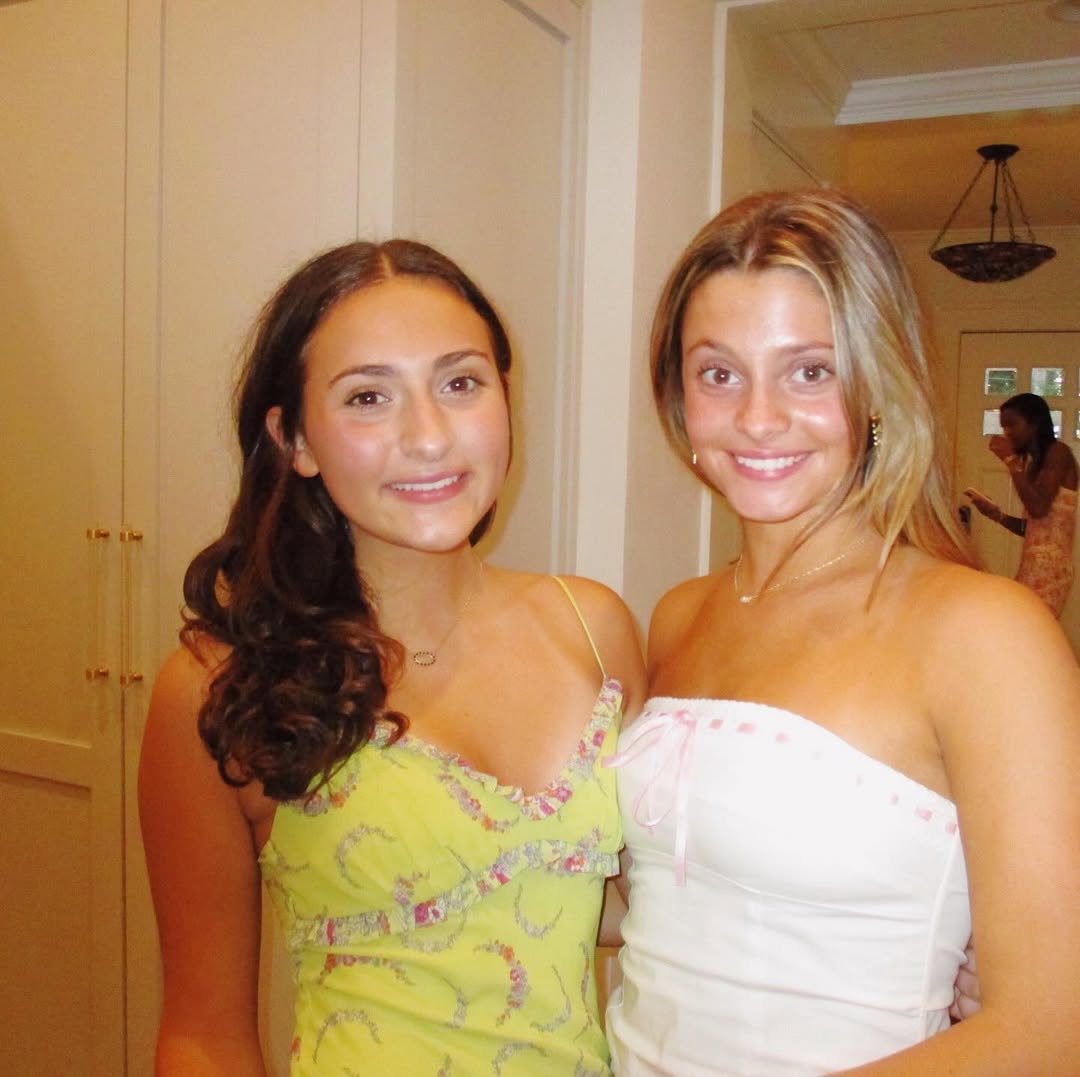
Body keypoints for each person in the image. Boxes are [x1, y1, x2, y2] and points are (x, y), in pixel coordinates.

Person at [138, 239, 646, 1075]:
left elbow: (639, 905)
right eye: (369, 397)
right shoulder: (219, 684)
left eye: (460, 383)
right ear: (294, 439)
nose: (429, 436)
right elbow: (204, 1033)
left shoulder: (592, 628)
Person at [604, 189, 1080, 1074]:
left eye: (810, 371)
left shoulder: (985, 634)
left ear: (877, 386)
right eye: (719, 373)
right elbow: (672, 900)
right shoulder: (679, 613)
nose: (758, 417)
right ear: (678, 395)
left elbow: (1053, 1030)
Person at [965, 391, 1078, 616]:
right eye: (1003, 427)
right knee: (1018, 622)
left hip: (1051, 569)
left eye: (1012, 425)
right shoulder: (1032, 465)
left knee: (1029, 625)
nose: (1006, 433)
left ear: (1034, 423)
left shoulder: (1059, 452)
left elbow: (1038, 508)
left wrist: (1011, 461)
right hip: (1032, 565)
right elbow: (1036, 528)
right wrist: (997, 516)